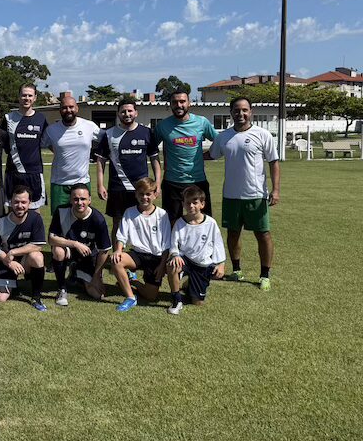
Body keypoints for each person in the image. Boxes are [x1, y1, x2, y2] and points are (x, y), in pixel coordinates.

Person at [209, 97, 280, 290]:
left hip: (256, 195)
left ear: (251, 112)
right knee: (233, 234)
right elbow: (211, 155)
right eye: (236, 110)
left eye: (244, 110)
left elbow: (273, 162)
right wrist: (185, 153)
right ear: (231, 113)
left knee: (263, 234)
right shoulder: (223, 136)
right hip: (231, 195)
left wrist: (275, 190)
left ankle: (264, 275)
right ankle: (237, 270)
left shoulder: (263, 134)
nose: (241, 114)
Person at [95, 97, 161, 245]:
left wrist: (158, 183)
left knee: (143, 221)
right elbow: (101, 161)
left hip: (142, 188)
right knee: (118, 222)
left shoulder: (146, 132)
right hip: (118, 187)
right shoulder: (109, 134)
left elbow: (155, 159)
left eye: (130, 111)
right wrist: (100, 185)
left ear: (136, 113)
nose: (127, 114)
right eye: (123, 111)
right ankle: (116, 255)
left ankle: (142, 253)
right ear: (118, 114)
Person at [154, 90, 217, 226]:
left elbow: (219, 142)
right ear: (170, 104)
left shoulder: (202, 122)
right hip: (172, 182)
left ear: (189, 103)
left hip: (197, 181)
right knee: (171, 223)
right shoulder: (163, 126)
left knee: (202, 222)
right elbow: (151, 150)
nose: (179, 105)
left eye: (182, 101)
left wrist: (208, 155)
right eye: (175, 102)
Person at [110, 177, 171, 312]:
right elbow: (121, 235)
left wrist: (162, 265)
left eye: (148, 194)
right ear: (136, 194)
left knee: (151, 296)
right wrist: (118, 250)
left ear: (155, 194)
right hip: (137, 254)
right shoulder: (129, 212)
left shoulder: (162, 215)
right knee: (116, 261)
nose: (145, 197)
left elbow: (167, 244)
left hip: (155, 258)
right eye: (141, 194)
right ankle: (130, 297)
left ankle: (133, 281)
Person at [48, 183, 112, 307]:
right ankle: (62, 289)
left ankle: (77, 274)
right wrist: (75, 244)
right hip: (69, 250)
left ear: (89, 200)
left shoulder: (98, 219)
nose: (79, 202)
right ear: (70, 200)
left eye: (83, 199)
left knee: (97, 295)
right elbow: (51, 239)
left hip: (88, 256)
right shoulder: (61, 211)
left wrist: (96, 276)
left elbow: (104, 250)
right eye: (75, 199)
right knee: (58, 251)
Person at [166, 185, 225, 315]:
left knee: (197, 303)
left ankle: (189, 284)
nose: (191, 206)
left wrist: (221, 264)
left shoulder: (210, 223)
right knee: (172, 265)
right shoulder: (179, 223)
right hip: (185, 259)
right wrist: (175, 255)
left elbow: (218, 244)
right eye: (188, 203)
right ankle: (177, 300)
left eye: (195, 202)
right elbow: (173, 244)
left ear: (202, 204)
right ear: (183, 204)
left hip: (202, 263)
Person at [42, 95, 102, 215]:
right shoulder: (51, 130)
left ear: (77, 108)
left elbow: (107, 140)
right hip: (59, 184)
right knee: (59, 221)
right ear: (60, 110)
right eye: (64, 107)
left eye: (71, 107)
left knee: (83, 220)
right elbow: (41, 143)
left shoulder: (89, 126)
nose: (68, 110)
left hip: (82, 182)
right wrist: (58, 151)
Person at [0, 186, 48, 311]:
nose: (20, 206)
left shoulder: (35, 218)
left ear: (30, 203)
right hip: (6, 262)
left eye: (23, 202)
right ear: (10, 202)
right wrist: (9, 262)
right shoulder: (0, 222)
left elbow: (37, 245)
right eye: (16, 202)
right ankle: (13, 284)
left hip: (25, 261)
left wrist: (13, 252)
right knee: (0, 298)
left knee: (37, 256)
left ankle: (36, 297)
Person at [2, 83, 49, 211]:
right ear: (18, 97)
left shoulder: (41, 119)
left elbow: (49, 142)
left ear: (35, 98)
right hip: (14, 173)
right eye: (24, 95)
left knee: (35, 212)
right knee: (13, 212)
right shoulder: (8, 118)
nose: (26, 98)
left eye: (30, 95)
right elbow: (2, 144)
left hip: (34, 172)